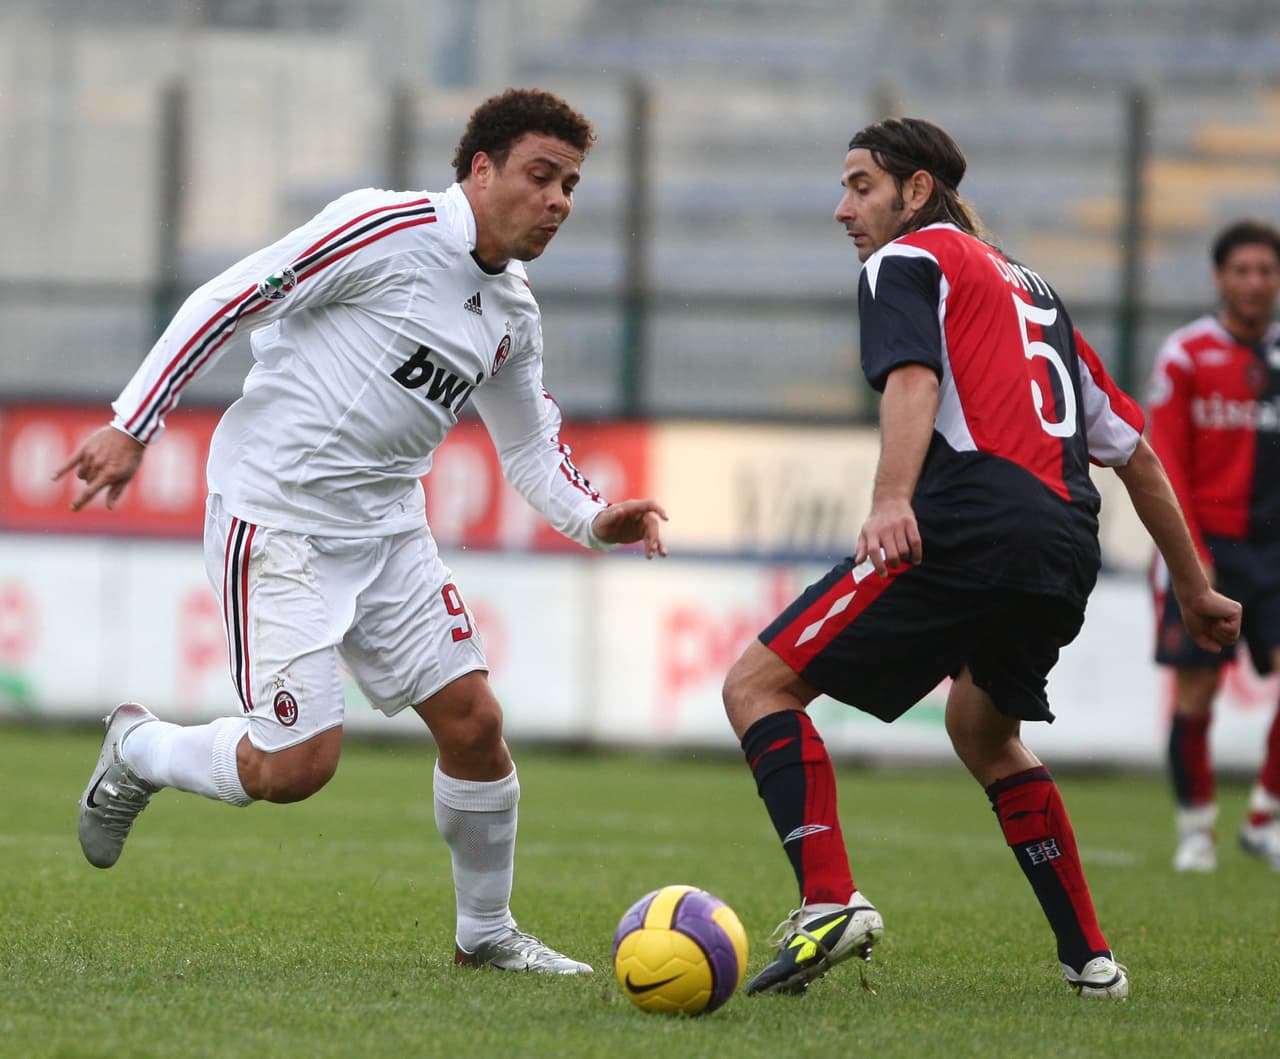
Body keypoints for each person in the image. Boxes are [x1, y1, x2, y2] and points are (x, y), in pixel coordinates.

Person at [57, 87, 667, 975]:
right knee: (295, 767)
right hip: (279, 521)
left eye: (571, 185)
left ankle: (486, 934)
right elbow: (230, 298)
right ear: (481, 168)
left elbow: (531, 444)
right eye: (542, 176)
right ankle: (138, 748)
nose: (559, 202)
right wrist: (133, 422)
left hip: (387, 530)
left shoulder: (514, 313)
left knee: (474, 721)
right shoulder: (386, 231)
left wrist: (591, 514)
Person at [722, 117, 1242, 999]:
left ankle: (828, 901)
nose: (841, 207)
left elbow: (914, 376)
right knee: (984, 730)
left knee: (757, 686)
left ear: (916, 191)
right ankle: (1092, 960)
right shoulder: (1032, 290)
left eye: (859, 185)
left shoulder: (908, 260)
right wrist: (1195, 589)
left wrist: (892, 499)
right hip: (1066, 542)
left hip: (970, 518)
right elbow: (1135, 453)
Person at [1146, 219, 1280, 873]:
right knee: (1197, 692)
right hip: (1206, 547)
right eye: (1243, 270)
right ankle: (1196, 829)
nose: (1255, 282)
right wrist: (1188, 553)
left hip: (1274, 548)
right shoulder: (1187, 354)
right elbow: (1164, 457)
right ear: (1220, 277)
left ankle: (1264, 818)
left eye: (1266, 270)